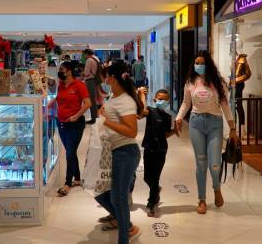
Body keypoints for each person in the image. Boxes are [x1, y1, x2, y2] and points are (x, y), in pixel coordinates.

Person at [175, 51, 239, 214]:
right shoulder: (190, 82)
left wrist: (232, 128)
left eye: (202, 63)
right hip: (196, 123)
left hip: (215, 123)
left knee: (215, 163)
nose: (199, 66)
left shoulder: (219, 83)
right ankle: (202, 200)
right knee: (201, 163)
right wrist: (179, 118)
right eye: (197, 63)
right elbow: (185, 103)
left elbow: (225, 105)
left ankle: (216, 188)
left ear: (208, 64)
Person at [95, 62, 143, 243]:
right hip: (113, 152)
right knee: (100, 192)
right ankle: (127, 224)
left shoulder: (125, 101)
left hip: (125, 153)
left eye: (106, 76)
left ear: (113, 78)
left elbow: (131, 131)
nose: (104, 80)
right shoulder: (114, 98)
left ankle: (124, 237)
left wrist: (106, 121)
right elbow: (108, 115)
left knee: (118, 198)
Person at [138, 88, 176, 217]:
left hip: (161, 151)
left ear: (168, 101)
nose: (162, 101)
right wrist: (142, 95)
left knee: (155, 178)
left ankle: (151, 203)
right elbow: (142, 111)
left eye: (165, 100)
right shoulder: (150, 111)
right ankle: (156, 190)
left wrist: (174, 131)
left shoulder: (168, 117)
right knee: (147, 177)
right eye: (159, 99)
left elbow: (165, 134)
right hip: (149, 149)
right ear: (155, 99)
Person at [55, 61, 92, 196]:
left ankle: (67, 183)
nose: (60, 72)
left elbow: (88, 103)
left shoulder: (79, 85)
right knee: (71, 152)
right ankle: (77, 178)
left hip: (75, 124)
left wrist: (76, 116)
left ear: (69, 71)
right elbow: (59, 100)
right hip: (61, 123)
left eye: (62, 69)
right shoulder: (61, 86)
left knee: (70, 153)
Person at [83, 49, 100, 124]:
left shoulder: (89, 60)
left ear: (87, 53)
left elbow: (86, 73)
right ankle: (95, 117)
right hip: (95, 80)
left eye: (84, 54)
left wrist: (82, 74)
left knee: (91, 100)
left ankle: (94, 118)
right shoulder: (96, 58)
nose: (84, 56)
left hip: (90, 81)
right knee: (94, 99)